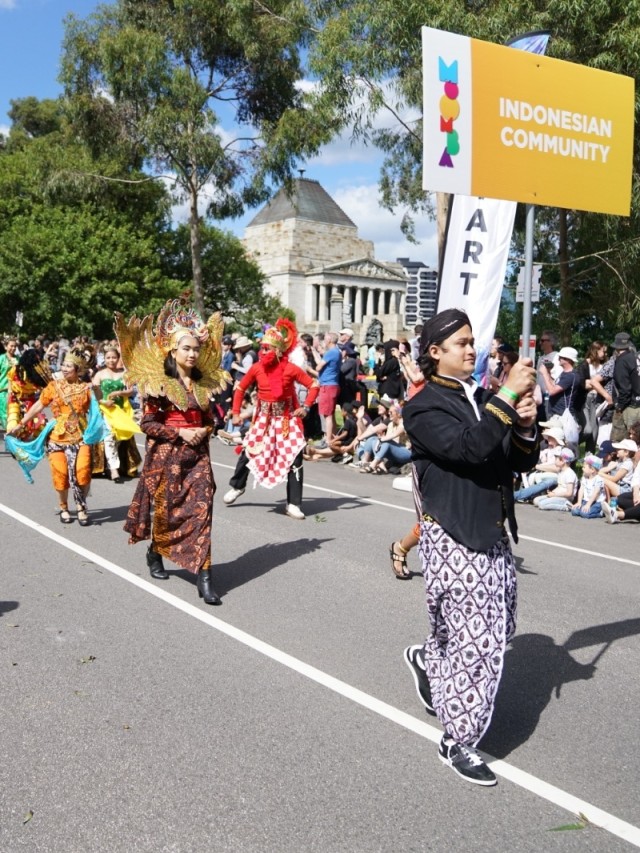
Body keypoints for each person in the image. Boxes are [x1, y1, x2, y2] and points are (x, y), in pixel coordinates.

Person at [401, 308, 539, 787]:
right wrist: (506, 396)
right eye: (461, 342)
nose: (471, 348)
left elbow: (515, 460)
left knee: (495, 629)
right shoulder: (421, 406)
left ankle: (429, 660)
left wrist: (523, 423)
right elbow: (469, 448)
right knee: (477, 640)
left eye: (472, 340)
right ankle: (457, 740)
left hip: (493, 529)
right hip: (455, 531)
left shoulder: (482, 397)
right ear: (435, 353)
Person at [117, 300, 230, 605]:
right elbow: (148, 424)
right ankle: (156, 551)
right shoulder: (159, 384)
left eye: (195, 349)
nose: (192, 354)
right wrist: (180, 432)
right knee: (169, 513)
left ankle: (204, 576)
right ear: (173, 351)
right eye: (186, 349)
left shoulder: (204, 383)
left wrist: (205, 431)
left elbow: (210, 420)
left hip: (199, 458)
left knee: (203, 511)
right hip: (167, 458)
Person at [223, 318, 319, 520]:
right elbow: (240, 389)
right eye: (262, 348)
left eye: (267, 349)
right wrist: (236, 412)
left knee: (295, 457)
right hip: (263, 419)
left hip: (286, 420)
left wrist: (306, 407)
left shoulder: (291, 369)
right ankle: (237, 486)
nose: (263, 352)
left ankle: (293, 503)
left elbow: (314, 385)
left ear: (278, 350)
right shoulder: (257, 368)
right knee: (249, 451)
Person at [7, 350, 99, 525]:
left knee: (83, 472)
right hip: (57, 438)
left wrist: (97, 389)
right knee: (61, 474)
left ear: (78, 369)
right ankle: (64, 507)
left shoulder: (84, 388)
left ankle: (81, 505)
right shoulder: (53, 387)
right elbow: (38, 406)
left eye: (68, 366)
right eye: (63, 365)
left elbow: (97, 404)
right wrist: (20, 424)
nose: (64, 368)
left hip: (81, 437)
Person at [91, 346, 141, 481]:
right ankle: (114, 470)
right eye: (108, 358)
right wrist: (103, 401)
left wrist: (119, 393)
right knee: (109, 437)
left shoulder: (124, 374)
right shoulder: (99, 374)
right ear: (104, 359)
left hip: (121, 410)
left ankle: (112, 465)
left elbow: (131, 391)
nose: (111, 360)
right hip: (106, 410)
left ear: (118, 358)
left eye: (114, 357)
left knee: (120, 438)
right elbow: (96, 393)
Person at [5, 349, 51, 440]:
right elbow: (10, 379)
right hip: (15, 399)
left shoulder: (39, 374)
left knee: (40, 423)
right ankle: (12, 442)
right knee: (13, 421)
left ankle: (35, 444)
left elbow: (46, 388)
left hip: (31, 400)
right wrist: (10, 393)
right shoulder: (17, 369)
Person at [611, 332, 640, 442]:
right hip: (637, 403)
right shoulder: (635, 358)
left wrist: (619, 406)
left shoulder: (622, 361)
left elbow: (625, 388)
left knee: (624, 440)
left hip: (629, 406)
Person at [532, 447, 578, 511]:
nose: (555, 460)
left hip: (565, 498)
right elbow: (560, 486)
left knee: (541, 505)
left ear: (563, 461)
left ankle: (567, 506)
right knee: (536, 500)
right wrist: (552, 492)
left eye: (557, 458)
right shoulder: (561, 471)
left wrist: (555, 494)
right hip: (557, 495)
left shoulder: (569, 474)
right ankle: (552, 502)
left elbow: (569, 493)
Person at [316, 332, 341, 445]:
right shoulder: (337, 352)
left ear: (330, 340)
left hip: (327, 385)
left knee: (327, 415)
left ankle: (328, 440)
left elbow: (318, 367)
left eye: (325, 339)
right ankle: (333, 437)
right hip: (333, 384)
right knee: (331, 413)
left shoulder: (331, 352)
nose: (324, 341)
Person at [571, 454, 606, 519]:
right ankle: (584, 509)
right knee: (574, 511)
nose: (582, 468)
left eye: (584, 467)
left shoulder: (598, 479)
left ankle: (601, 513)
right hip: (586, 500)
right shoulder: (584, 477)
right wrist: (579, 502)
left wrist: (588, 505)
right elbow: (581, 490)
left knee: (585, 514)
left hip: (596, 502)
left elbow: (596, 493)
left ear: (592, 470)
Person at [0, 339, 18, 431]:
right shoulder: (1, 359)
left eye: (15, 346)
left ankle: (12, 433)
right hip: (3, 390)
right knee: (5, 413)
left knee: (14, 413)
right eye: (11, 346)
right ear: (6, 346)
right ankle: (8, 433)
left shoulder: (18, 359)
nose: (13, 348)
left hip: (17, 391)